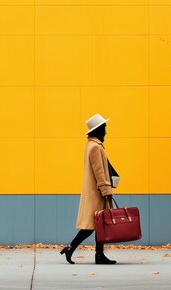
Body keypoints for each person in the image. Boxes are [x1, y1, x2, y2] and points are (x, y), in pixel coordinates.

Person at [60, 113, 116, 265]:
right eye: (104, 127)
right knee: (91, 226)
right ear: (97, 129)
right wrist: (107, 191)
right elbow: (99, 172)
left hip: (94, 192)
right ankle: (71, 248)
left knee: (100, 225)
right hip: (97, 193)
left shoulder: (90, 146)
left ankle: (99, 255)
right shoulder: (95, 148)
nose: (106, 130)